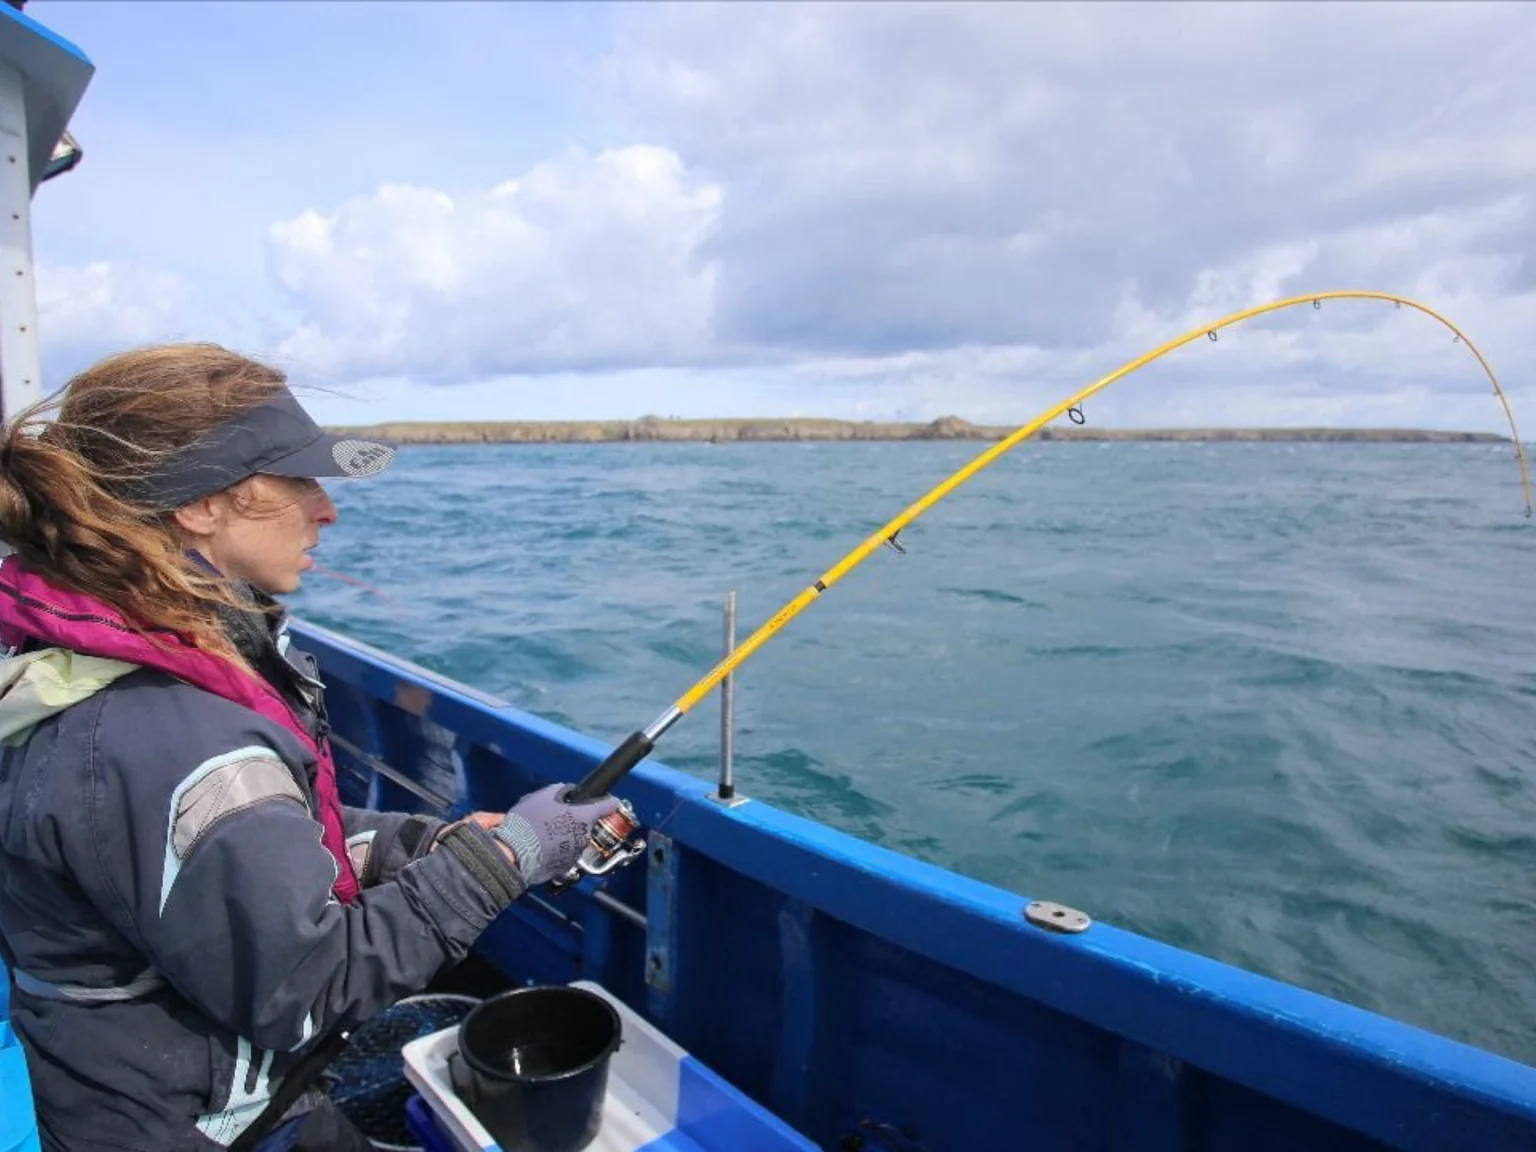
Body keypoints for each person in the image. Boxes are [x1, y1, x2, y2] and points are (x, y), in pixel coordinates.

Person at [0, 344, 622, 1152]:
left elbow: (259, 846)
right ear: (200, 508)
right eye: (300, 481)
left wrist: (430, 847)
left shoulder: (143, 662)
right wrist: (510, 860)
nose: (325, 509)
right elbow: (307, 986)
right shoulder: (168, 727)